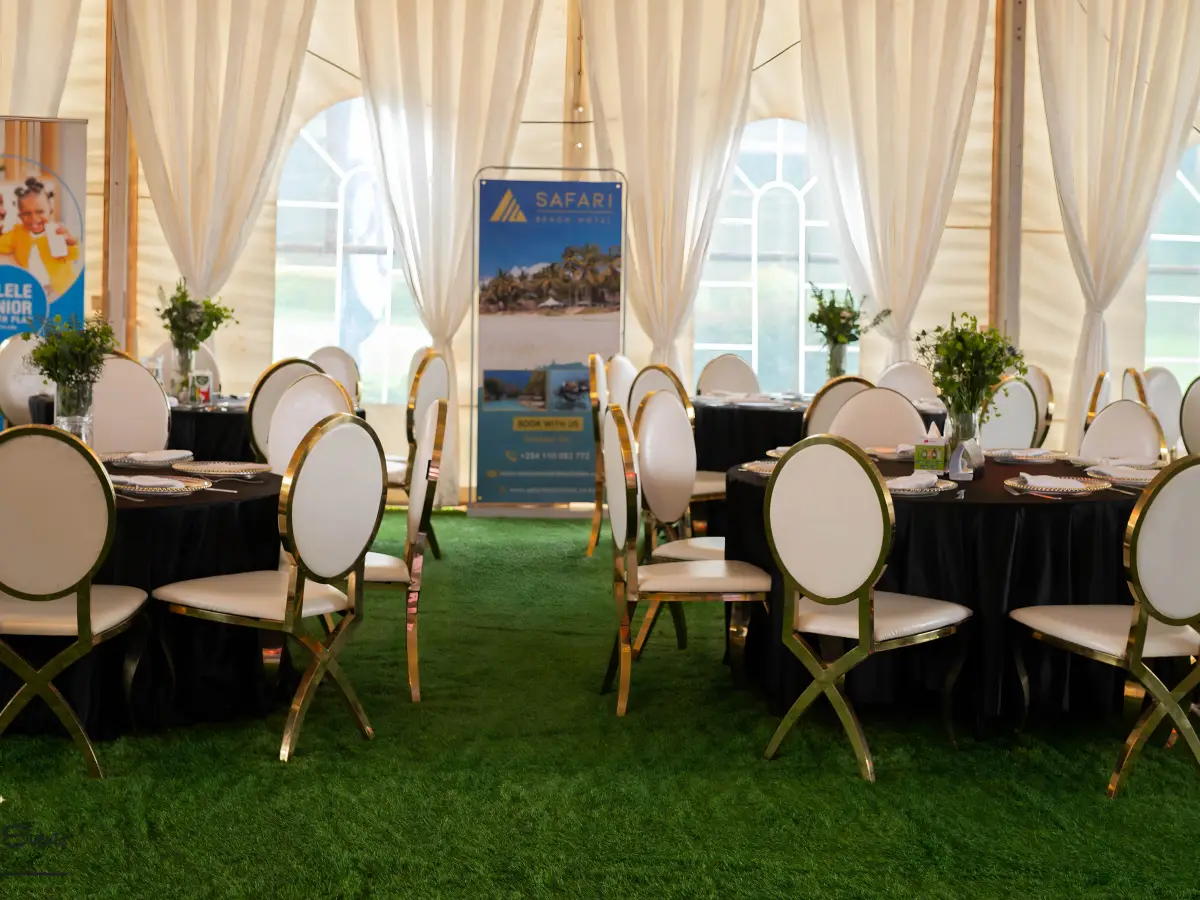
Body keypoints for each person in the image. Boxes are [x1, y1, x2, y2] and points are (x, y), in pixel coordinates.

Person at [0, 177, 80, 300]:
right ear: (20, 215)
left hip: (59, 289)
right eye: (27, 213)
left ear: (50, 211)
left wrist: (71, 242)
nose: (34, 219)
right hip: (32, 289)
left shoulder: (57, 231)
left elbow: (73, 255)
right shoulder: (17, 232)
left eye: (40, 212)